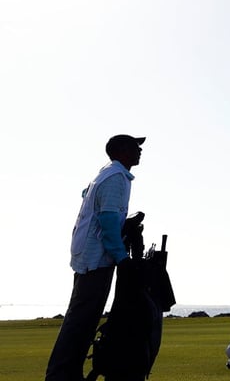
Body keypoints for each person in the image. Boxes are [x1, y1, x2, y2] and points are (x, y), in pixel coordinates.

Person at [46, 134, 145, 381]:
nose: (140, 151)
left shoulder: (107, 173)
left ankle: (67, 373)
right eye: (135, 147)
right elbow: (108, 222)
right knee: (81, 321)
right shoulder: (115, 178)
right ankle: (60, 375)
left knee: (82, 320)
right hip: (95, 259)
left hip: (89, 256)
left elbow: (88, 198)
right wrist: (122, 259)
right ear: (122, 150)